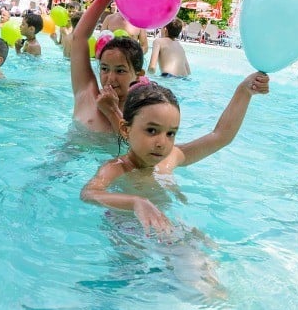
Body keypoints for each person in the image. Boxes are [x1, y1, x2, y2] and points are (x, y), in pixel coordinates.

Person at [81, 73, 269, 235]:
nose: (162, 142)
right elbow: (89, 193)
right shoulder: (117, 168)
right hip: (128, 229)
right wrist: (135, 202)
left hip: (169, 226)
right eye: (152, 131)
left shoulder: (171, 158)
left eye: (170, 133)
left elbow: (221, 136)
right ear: (125, 129)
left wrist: (244, 91)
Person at [72, 0, 147, 134]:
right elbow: (79, 38)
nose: (110, 78)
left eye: (120, 70)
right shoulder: (86, 93)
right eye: (105, 69)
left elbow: (138, 148)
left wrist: (112, 111)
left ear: (138, 74)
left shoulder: (140, 112)